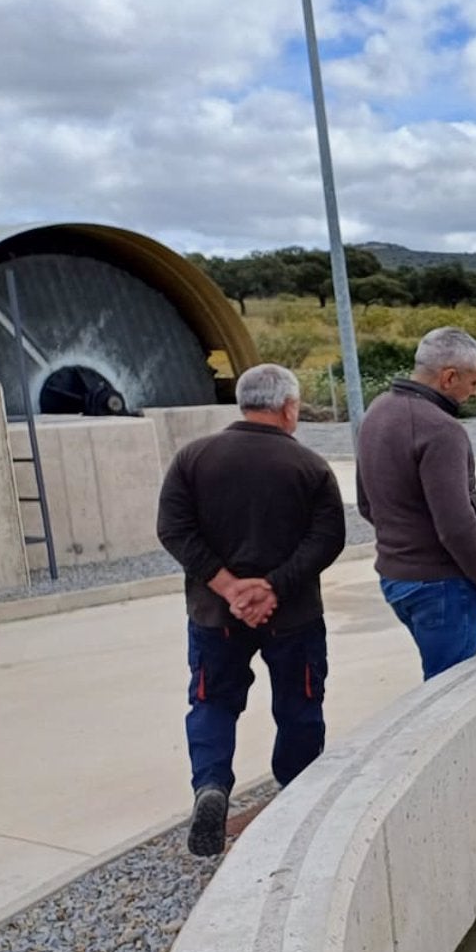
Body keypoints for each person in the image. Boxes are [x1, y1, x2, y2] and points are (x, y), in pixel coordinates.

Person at [155, 363, 346, 858]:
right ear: (288, 407)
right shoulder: (309, 467)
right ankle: (297, 794)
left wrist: (228, 587)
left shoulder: (192, 458)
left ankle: (212, 786)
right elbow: (328, 538)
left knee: (213, 702)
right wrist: (273, 588)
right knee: (299, 704)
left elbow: (173, 530)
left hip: (213, 617)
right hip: (295, 616)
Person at [355, 327, 476, 679]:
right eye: (474, 382)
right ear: (449, 377)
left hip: (395, 577)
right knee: (451, 694)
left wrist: (403, 542)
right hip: (442, 586)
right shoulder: (441, 429)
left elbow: (365, 502)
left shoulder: (377, 410)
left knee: (438, 684)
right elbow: (457, 525)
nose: (475, 392)